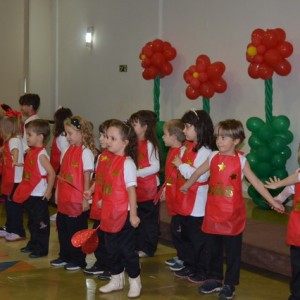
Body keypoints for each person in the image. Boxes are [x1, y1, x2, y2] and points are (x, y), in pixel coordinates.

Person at [180, 119, 284, 300]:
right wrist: (187, 185)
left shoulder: (242, 161)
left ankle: (230, 284)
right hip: (212, 213)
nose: (219, 141)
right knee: (212, 249)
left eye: (224, 138)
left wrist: (272, 201)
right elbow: (198, 172)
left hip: (232, 216)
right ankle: (214, 278)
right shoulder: (212, 156)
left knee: (233, 252)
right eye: (217, 137)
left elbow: (257, 183)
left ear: (236, 141)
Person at [98, 119, 141, 298]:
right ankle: (116, 280)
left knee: (127, 250)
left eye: (112, 138)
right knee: (111, 249)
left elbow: (131, 191)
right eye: (107, 137)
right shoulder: (108, 160)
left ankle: (135, 280)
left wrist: (134, 215)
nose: (108, 141)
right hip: (109, 213)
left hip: (123, 216)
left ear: (125, 142)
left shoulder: (127, 163)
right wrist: (101, 200)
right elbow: (107, 185)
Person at [171, 110, 215, 284]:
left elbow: (201, 176)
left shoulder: (205, 150)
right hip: (185, 197)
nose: (185, 130)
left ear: (199, 128)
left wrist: (181, 166)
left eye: (188, 126)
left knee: (198, 239)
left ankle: (202, 269)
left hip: (198, 200)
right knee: (186, 235)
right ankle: (190, 264)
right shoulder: (188, 147)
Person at [51, 115, 96, 271]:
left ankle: (78, 260)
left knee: (75, 231)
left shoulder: (86, 153)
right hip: (64, 198)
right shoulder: (67, 151)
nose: (67, 137)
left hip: (77, 200)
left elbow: (87, 177)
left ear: (82, 133)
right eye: (66, 133)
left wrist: (85, 200)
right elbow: (61, 175)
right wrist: (57, 192)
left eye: (70, 133)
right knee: (62, 229)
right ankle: (65, 256)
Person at [13, 119, 56, 258]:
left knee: (40, 223)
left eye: (29, 135)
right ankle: (33, 243)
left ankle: (42, 249)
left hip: (39, 196)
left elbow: (52, 173)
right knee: (32, 222)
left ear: (40, 137)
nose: (27, 137)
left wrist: (49, 191)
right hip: (30, 194)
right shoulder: (32, 152)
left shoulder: (42, 154)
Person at [83, 119, 117, 280]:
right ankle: (101, 263)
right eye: (101, 135)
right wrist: (90, 189)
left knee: (111, 239)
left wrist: (108, 200)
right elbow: (98, 179)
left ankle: (113, 267)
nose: (102, 139)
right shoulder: (102, 156)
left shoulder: (119, 159)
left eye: (106, 136)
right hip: (99, 204)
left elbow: (118, 185)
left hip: (111, 206)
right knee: (99, 236)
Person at [129, 110, 160, 258]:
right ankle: (137, 244)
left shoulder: (150, 145)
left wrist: (136, 173)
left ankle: (148, 247)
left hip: (149, 189)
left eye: (134, 124)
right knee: (137, 217)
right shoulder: (132, 144)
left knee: (149, 221)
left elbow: (155, 167)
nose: (131, 127)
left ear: (145, 127)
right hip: (136, 188)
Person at [265, 170, 300, 300]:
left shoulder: (297, 175)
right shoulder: (296, 175)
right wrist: (278, 200)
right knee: (297, 267)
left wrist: (278, 184)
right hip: (298, 230)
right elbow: (288, 190)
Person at [160, 119, 186, 271]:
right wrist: (164, 189)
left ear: (174, 137)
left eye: (165, 134)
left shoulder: (182, 153)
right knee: (175, 229)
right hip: (172, 197)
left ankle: (184, 258)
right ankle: (181, 255)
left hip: (180, 199)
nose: (162, 137)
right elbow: (169, 176)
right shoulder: (171, 151)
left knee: (179, 230)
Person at [0, 112, 25, 241]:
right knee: (9, 206)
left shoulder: (14, 140)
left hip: (15, 180)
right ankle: (9, 228)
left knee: (14, 206)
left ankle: (18, 231)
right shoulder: (10, 141)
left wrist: (15, 159)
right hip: (9, 179)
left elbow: (14, 150)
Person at [49, 107, 72, 221]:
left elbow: (64, 153)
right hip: (57, 167)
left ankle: (61, 212)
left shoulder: (63, 136)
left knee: (61, 192)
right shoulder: (62, 135)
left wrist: (63, 170)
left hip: (60, 168)